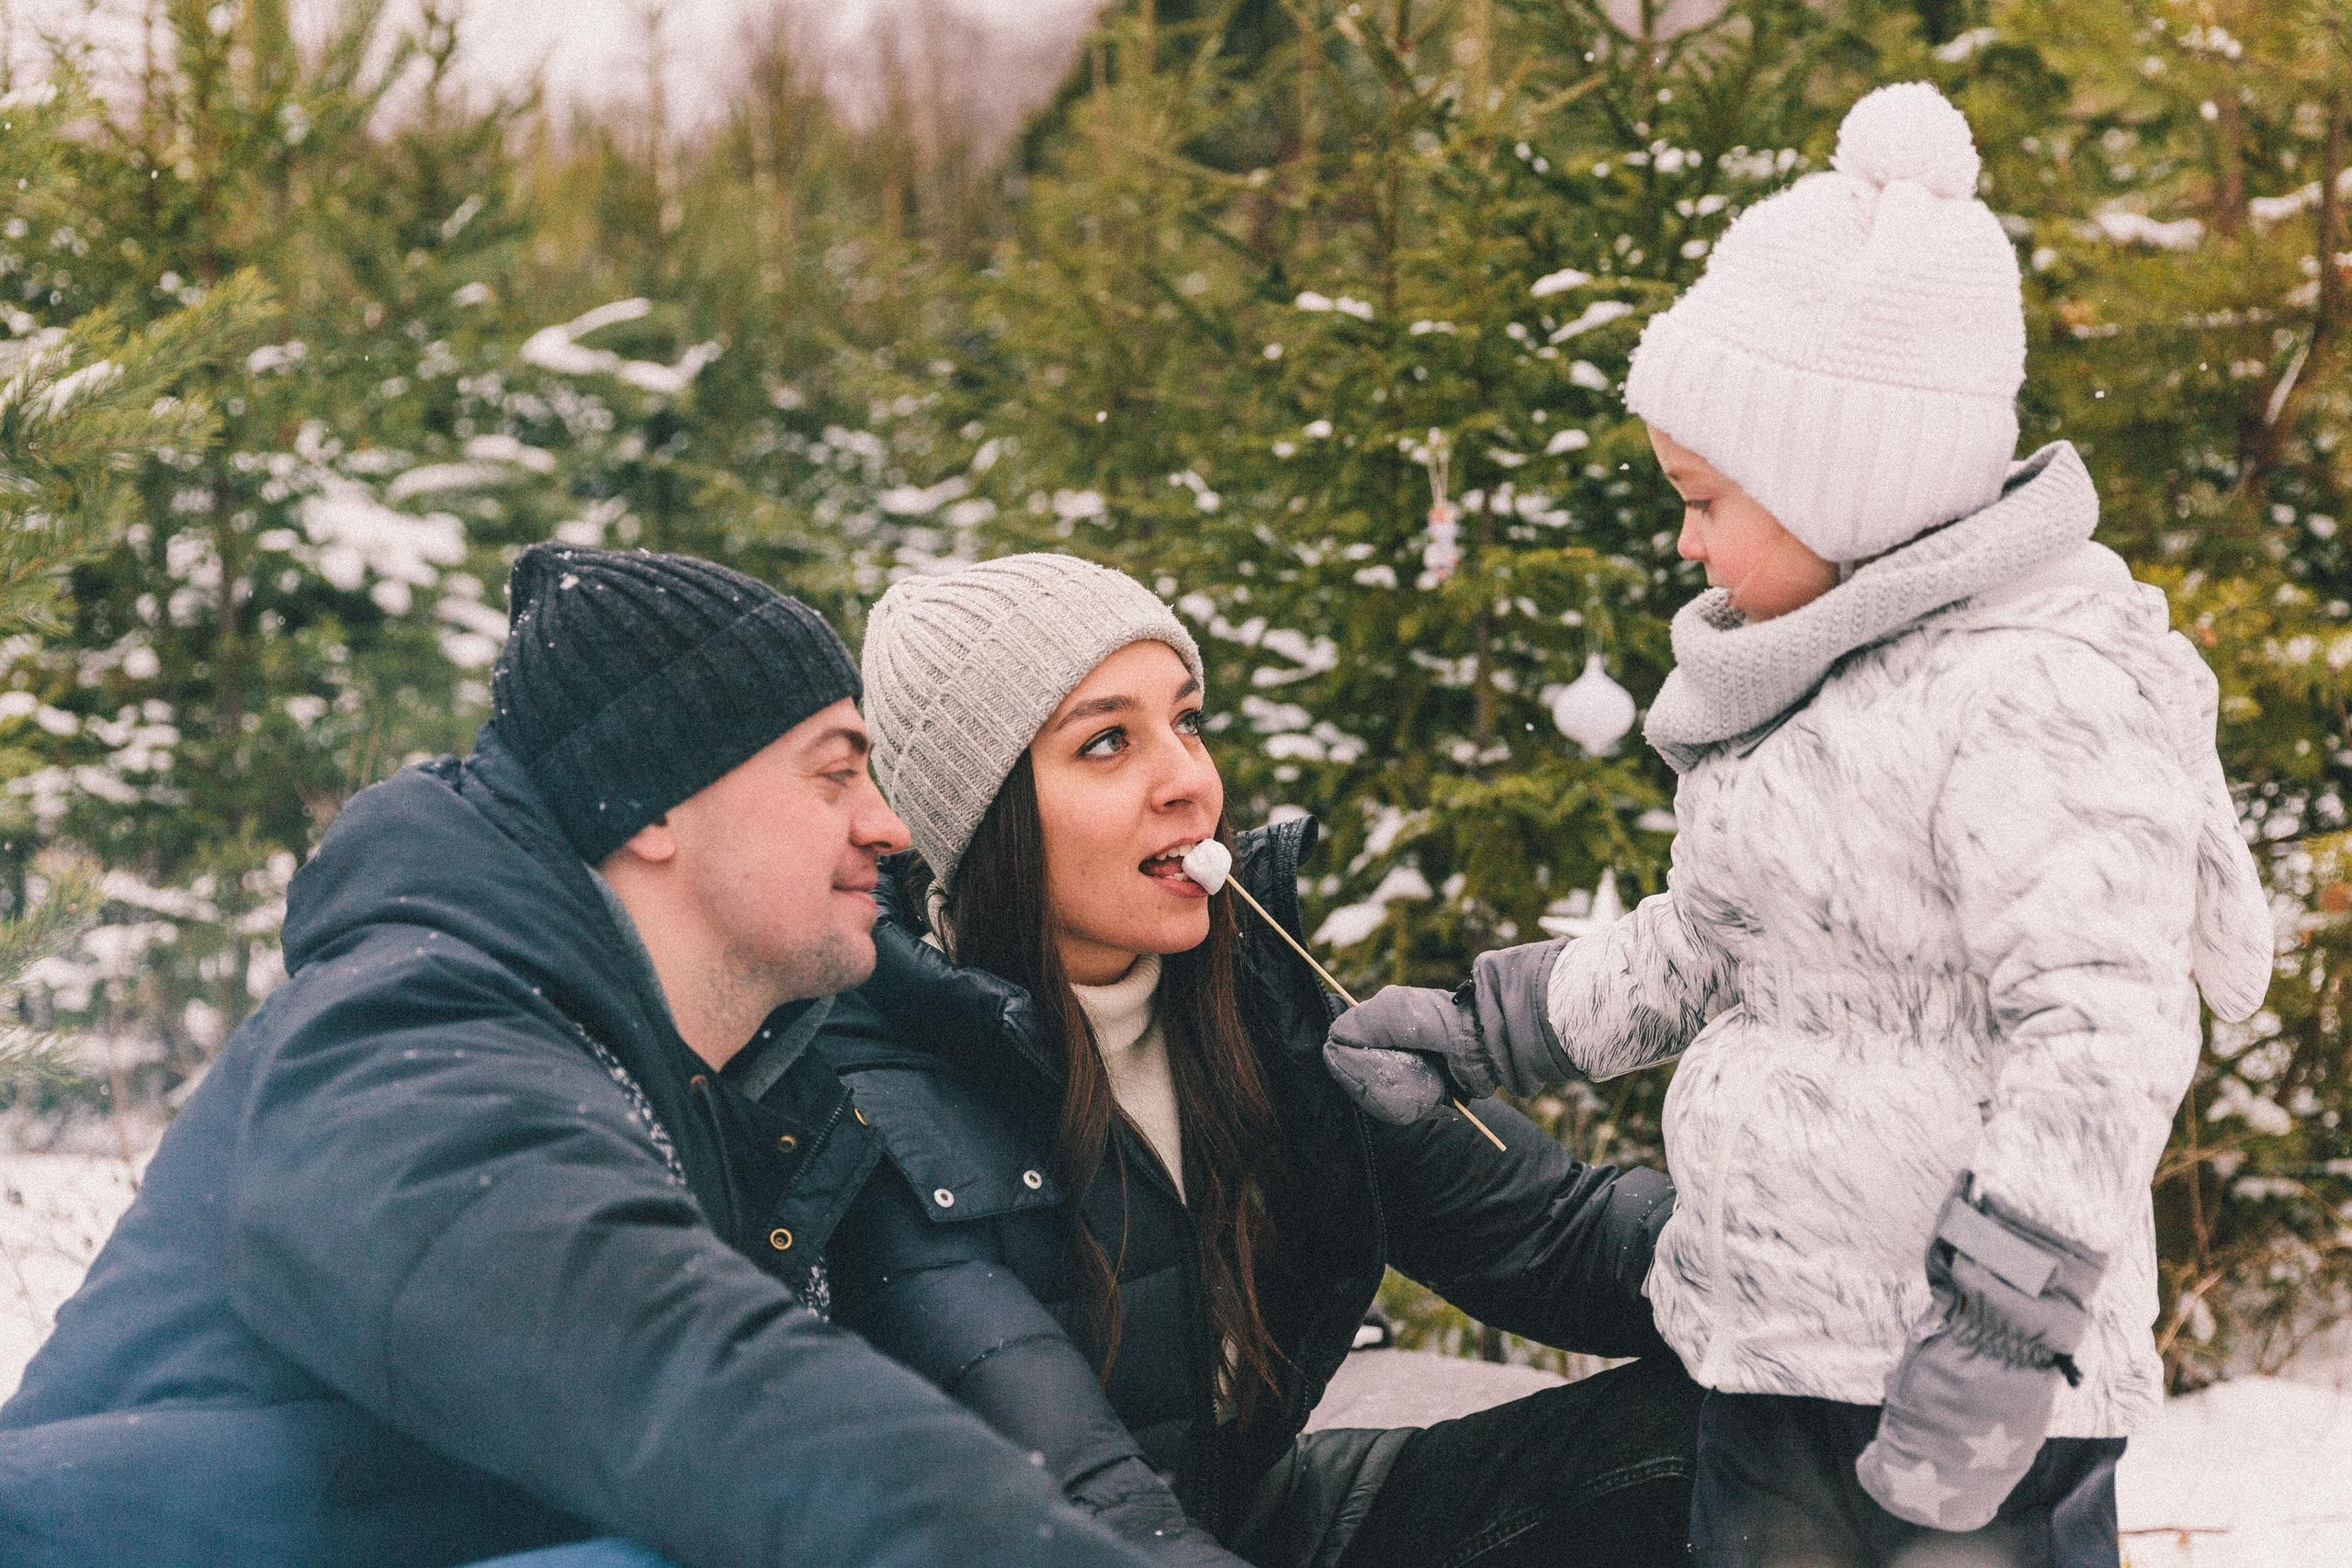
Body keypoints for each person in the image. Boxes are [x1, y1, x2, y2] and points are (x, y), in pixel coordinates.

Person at [1319, 84, 2275, 1568]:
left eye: (1705, 498)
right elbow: (1701, 939)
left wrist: (1999, 1336)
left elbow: (2101, 1033)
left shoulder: (2037, 687)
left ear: (1853, 479)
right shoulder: (1801, 687)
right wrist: (1483, 1026)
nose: (1684, 541)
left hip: (1959, 1387)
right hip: (1773, 1351)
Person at [0, 543, 1166, 1568]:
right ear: (652, 806)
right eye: (831, 771)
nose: (886, 824)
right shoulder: (410, 1033)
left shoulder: (683, 1073)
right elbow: (687, 1383)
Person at [806, 551, 1703, 1568]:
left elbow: (1551, 1235)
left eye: (1185, 720)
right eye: (1106, 743)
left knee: (1747, 1427)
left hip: (1259, 1524)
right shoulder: (880, 1090)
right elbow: (1073, 1500)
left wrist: (1829, 1275)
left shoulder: (1254, 994)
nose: (1187, 779)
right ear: (984, 818)